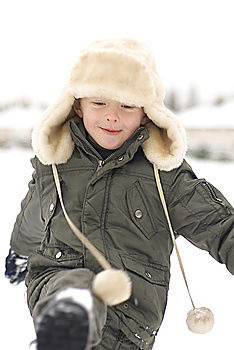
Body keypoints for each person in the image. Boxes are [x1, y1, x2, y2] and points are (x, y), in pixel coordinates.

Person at [5, 38, 234, 350]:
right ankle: (71, 317)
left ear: (145, 113)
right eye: (99, 103)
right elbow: (34, 213)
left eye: (126, 105)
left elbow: (219, 226)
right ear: (78, 104)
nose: (112, 116)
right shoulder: (55, 164)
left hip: (130, 319)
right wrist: (20, 251)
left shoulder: (164, 174)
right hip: (56, 287)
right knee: (76, 288)